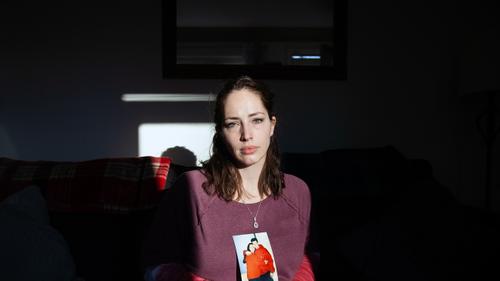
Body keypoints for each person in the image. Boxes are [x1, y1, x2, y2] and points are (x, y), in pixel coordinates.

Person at [142, 76, 314, 281]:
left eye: (257, 120)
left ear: (272, 125)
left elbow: (308, 259)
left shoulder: (298, 191)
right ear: (221, 132)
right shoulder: (192, 189)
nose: (246, 134)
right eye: (233, 124)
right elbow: (153, 265)